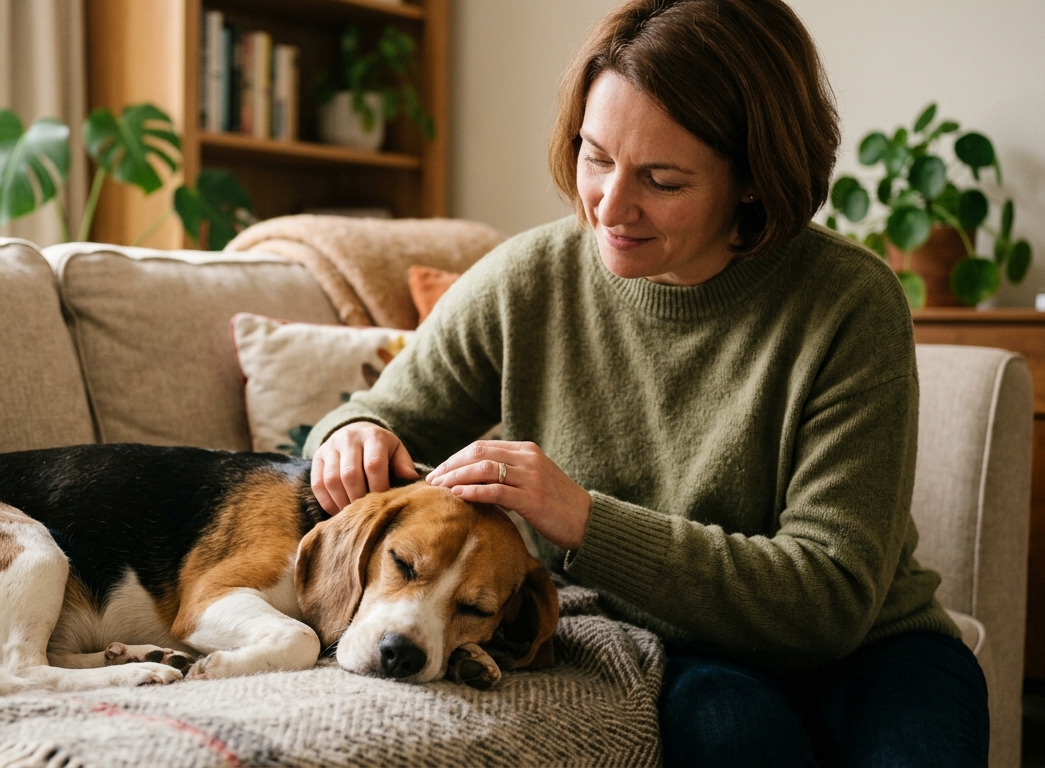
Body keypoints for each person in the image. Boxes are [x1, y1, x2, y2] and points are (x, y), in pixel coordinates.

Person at [303, 0, 990, 765]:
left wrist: (583, 519)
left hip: (876, 651)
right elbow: (375, 417)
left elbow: (828, 600)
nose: (609, 205)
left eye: (661, 179)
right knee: (735, 732)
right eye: (596, 157)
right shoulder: (529, 278)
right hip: (682, 642)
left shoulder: (849, 303)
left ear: (755, 182)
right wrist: (352, 437)